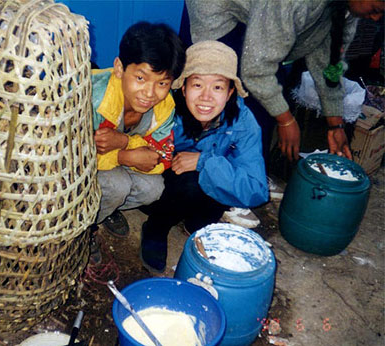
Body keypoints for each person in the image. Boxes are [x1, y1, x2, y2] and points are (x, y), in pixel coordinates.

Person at [182, 0, 384, 227]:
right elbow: (257, 71)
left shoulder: (346, 11)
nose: (376, 19)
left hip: (259, 13)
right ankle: (219, 187)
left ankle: (248, 174)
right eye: (376, 9)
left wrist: (335, 124)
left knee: (268, 98)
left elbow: (328, 64)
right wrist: (286, 120)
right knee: (218, 92)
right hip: (217, 7)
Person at [140, 40, 268, 273]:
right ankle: (156, 227)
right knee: (187, 182)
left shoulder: (243, 123)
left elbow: (256, 190)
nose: (206, 97)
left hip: (207, 188)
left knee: (216, 174)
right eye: (198, 85)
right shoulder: (164, 107)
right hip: (162, 185)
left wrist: (204, 161)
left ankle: (196, 225)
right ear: (184, 87)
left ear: (230, 93)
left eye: (217, 87)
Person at [89, 22, 185, 262]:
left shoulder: (164, 107)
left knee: (154, 188)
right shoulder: (91, 96)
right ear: (120, 68)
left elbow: (160, 158)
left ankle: (107, 209)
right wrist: (123, 156)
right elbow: (66, 157)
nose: (150, 93)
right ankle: (82, 229)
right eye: (141, 78)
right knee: (117, 184)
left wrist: (123, 145)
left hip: (117, 159)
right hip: (79, 173)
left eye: (162, 83)